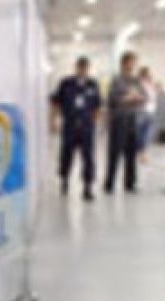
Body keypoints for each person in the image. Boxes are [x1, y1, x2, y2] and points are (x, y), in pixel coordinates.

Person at [50, 56, 102, 202]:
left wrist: (95, 122)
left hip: (86, 127)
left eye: (85, 68)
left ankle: (87, 187)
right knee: (66, 154)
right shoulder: (66, 83)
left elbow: (98, 106)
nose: (83, 70)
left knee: (88, 157)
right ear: (76, 67)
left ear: (88, 69)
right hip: (70, 126)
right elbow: (55, 102)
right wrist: (53, 120)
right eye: (80, 67)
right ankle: (64, 179)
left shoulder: (93, 84)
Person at [104, 52, 147, 195]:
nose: (132, 65)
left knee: (131, 153)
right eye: (130, 62)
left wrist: (137, 98)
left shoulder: (136, 81)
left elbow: (144, 96)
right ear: (123, 63)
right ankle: (109, 184)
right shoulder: (116, 80)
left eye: (134, 62)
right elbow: (112, 100)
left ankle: (130, 183)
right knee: (114, 153)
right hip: (119, 120)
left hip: (132, 119)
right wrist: (127, 99)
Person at [137, 66, 158, 163]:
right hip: (142, 112)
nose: (150, 75)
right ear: (144, 74)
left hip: (150, 112)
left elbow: (153, 98)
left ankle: (143, 153)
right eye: (149, 73)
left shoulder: (151, 85)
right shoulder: (139, 84)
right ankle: (142, 153)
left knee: (147, 134)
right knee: (142, 134)